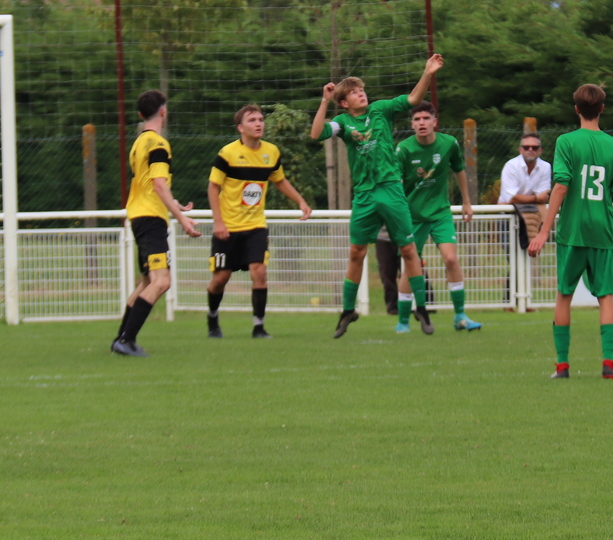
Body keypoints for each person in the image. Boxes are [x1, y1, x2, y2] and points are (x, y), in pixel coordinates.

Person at [310, 55, 445, 338]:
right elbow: (316, 134)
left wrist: (427, 73)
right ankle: (348, 311)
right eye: (354, 92)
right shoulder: (343, 122)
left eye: (362, 90)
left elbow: (413, 99)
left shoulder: (381, 110)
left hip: (391, 188)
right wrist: (324, 100)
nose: (361, 94)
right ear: (344, 103)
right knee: (356, 252)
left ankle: (421, 308)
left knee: (408, 250)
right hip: (364, 195)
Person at [527, 84, 613, 379]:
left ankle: (562, 366)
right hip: (601, 229)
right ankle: (609, 363)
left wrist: (544, 231)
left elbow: (561, 185)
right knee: (606, 296)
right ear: (602, 109)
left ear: (576, 109)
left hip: (572, 230)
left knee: (564, 294)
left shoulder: (566, 141)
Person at [205, 104, 311, 339]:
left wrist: (300, 201)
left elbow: (279, 180)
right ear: (240, 128)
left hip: (256, 226)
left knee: (259, 272)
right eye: (252, 120)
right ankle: (212, 317)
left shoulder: (271, 152)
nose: (259, 124)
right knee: (221, 278)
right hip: (228, 227)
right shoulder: (227, 153)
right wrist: (218, 222)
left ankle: (259, 327)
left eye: (261, 119)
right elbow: (213, 187)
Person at [112, 89, 201, 357]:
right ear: (163, 111)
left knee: (147, 282)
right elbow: (159, 185)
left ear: (141, 114)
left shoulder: (139, 142)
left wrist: (174, 205)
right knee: (162, 281)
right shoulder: (159, 144)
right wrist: (182, 218)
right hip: (151, 219)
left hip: (139, 215)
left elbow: (150, 185)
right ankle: (127, 340)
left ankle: (120, 338)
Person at [396, 101, 479, 332]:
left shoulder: (448, 143)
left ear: (434, 121)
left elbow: (459, 169)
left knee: (451, 259)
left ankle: (460, 316)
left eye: (426, 118)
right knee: (411, 267)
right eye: (417, 119)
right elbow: (395, 183)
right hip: (412, 216)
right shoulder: (404, 149)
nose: (421, 123)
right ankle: (403, 322)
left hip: (441, 213)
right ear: (412, 124)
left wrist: (466, 202)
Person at [499, 133, 551, 249]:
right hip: (509, 214)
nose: (530, 150)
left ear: (540, 150)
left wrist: (523, 198)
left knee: (533, 251)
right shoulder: (511, 166)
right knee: (511, 252)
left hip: (532, 213)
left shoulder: (546, 167)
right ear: (520, 150)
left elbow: (543, 197)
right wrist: (536, 198)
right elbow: (511, 198)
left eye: (535, 147)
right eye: (526, 147)